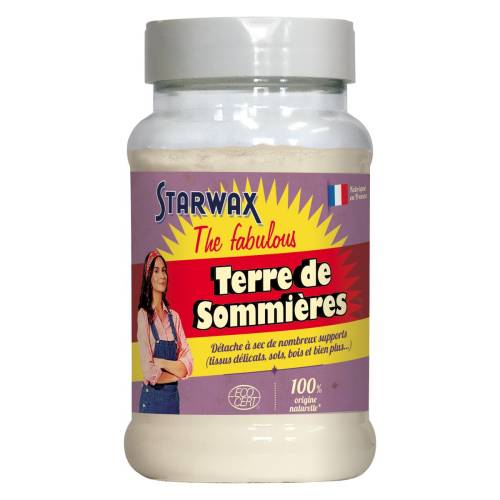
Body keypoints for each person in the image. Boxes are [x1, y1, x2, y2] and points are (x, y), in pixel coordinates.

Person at [137, 250, 193, 414]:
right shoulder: (144, 316)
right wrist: (178, 373)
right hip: (152, 402)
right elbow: (149, 372)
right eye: (156, 271)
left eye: (164, 270)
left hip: (172, 401)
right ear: (148, 276)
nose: (162, 276)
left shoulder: (174, 317)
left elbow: (188, 363)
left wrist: (161, 362)